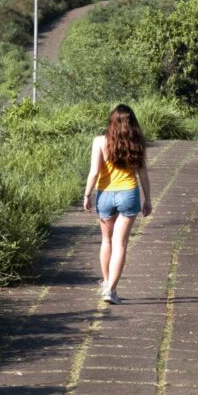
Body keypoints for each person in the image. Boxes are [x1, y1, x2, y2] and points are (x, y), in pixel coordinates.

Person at [83, 104, 152, 304]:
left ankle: (107, 283)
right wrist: (148, 199)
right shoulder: (137, 143)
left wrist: (87, 194)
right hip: (128, 194)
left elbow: (94, 172)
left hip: (104, 195)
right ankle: (111, 290)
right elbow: (143, 175)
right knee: (120, 243)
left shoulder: (99, 141)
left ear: (111, 122)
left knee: (106, 241)